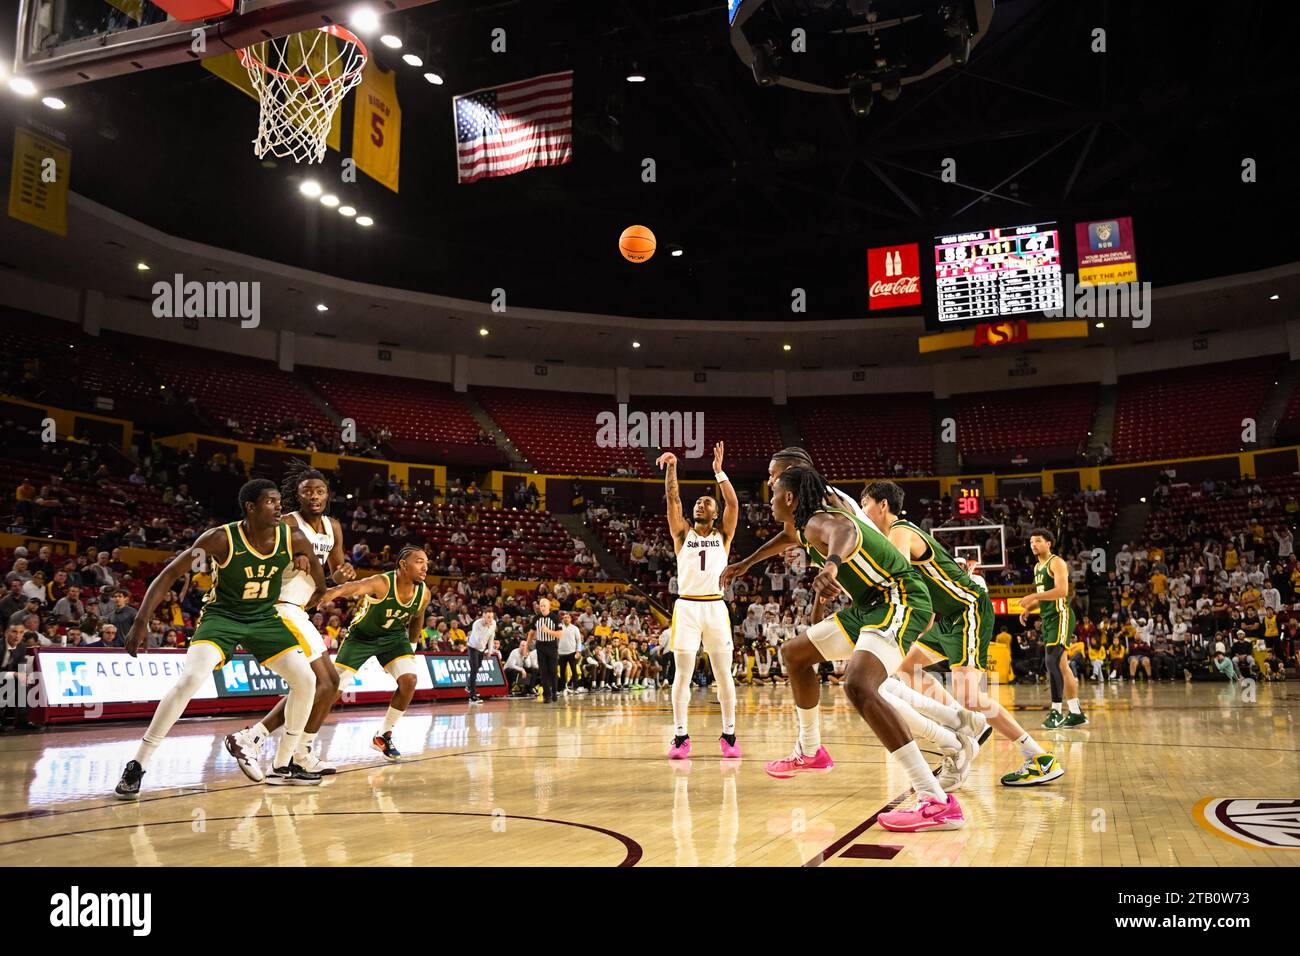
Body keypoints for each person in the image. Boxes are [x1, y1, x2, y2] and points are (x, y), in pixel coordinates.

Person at [723, 465, 961, 833]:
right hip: (868, 604)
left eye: (773, 492)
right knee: (794, 655)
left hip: (899, 596)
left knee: (859, 686)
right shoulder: (804, 526)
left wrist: (832, 566)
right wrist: (746, 562)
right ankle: (811, 750)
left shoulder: (822, 518)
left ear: (789, 497)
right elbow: (786, 540)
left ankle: (935, 799)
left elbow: (845, 530)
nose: (768, 500)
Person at [114, 479, 328, 799]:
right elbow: (170, 573)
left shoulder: (293, 535)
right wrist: (142, 619)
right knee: (191, 679)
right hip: (222, 618)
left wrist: (304, 565)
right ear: (250, 507)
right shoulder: (220, 538)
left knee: (307, 680)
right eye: (270, 501)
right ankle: (137, 764)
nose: (278, 506)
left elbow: (322, 585)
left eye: (278, 501)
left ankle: (282, 764)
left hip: (263, 618)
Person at [861, 480, 1062, 789]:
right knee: (907, 668)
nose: (863, 512)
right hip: (946, 616)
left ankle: (1037, 757)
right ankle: (962, 724)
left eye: (865, 506)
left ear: (883, 506)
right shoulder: (897, 534)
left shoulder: (900, 532)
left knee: (970, 694)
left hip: (967, 609)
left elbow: (896, 577)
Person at [228, 463, 354, 778]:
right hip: (280, 606)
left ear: (328, 495)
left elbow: (335, 570)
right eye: (307, 490)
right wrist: (287, 555)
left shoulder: (333, 527)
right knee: (321, 683)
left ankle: (285, 751)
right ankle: (281, 750)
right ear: (296, 496)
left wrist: (342, 575)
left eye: (320, 490)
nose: (314, 495)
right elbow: (260, 553)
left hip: (300, 609)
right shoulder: (285, 523)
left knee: (327, 684)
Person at [658, 442, 741, 759]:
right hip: (688, 607)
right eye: (698, 504)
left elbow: (733, 504)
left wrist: (719, 473)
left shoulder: (724, 534)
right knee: (682, 674)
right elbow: (673, 499)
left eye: (706, 503)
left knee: (724, 674)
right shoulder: (682, 534)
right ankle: (680, 736)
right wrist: (673, 467)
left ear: (715, 512)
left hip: (715, 607)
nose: (700, 506)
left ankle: (730, 735)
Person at [317, 547, 431, 759]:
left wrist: (412, 648)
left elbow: (417, 618)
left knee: (410, 680)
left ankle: (383, 736)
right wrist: (334, 592)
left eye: (426, 562)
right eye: (419, 561)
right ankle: (304, 737)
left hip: (393, 638)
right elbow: (356, 586)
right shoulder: (383, 582)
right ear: (403, 565)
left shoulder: (423, 592)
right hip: (361, 637)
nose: (425, 567)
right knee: (333, 690)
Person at [1020, 529, 1087, 728]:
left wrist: (1033, 597)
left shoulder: (1056, 562)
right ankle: (1075, 713)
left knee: (1051, 661)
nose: (1033, 545)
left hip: (1061, 616)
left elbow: (1062, 591)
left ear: (1048, 543)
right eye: (1031, 542)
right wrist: (1028, 609)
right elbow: (1044, 596)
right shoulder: (1037, 567)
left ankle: (1056, 712)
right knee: (1061, 666)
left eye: (1038, 541)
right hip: (1048, 619)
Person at [532, 598, 563, 703]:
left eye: (544, 605)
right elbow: (531, 633)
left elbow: (560, 634)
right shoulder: (536, 618)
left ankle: (554, 692)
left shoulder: (555, 618)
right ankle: (547, 695)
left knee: (553, 671)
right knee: (543, 672)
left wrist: (547, 631)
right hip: (540, 646)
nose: (542, 607)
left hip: (551, 646)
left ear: (549, 606)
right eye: (541, 606)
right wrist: (527, 645)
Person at [466, 609, 496, 704]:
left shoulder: (493, 624)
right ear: (483, 617)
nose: (490, 619)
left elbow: (491, 637)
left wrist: (490, 651)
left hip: (481, 649)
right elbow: (479, 639)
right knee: (474, 669)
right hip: (473, 647)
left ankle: (469, 686)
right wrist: (486, 627)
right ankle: (472, 695)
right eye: (488, 617)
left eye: (492, 617)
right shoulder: (477, 624)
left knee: (478, 667)